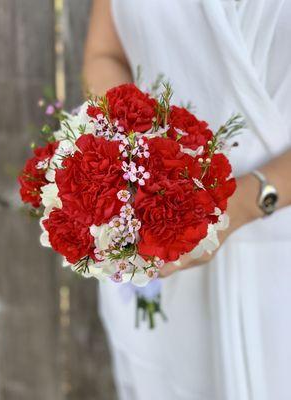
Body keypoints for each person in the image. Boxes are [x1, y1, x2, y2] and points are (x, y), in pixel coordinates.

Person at [83, 0, 291, 399]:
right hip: (158, 269)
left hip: (276, 255)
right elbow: (104, 53)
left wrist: (246, 200)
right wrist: (131, 148)